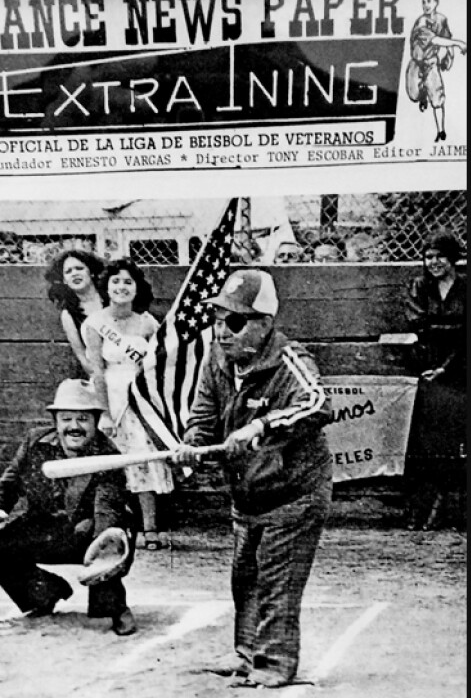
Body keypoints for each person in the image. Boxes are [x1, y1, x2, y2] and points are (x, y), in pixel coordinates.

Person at [174, 269, 334, 689]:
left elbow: (317, 403)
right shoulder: (216, 358)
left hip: (294, 494)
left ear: (264, 324)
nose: (223, 331)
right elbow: (203, 416)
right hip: (248, 495)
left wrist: (262, 426)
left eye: (235, 321)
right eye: (219, 319)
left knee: (277, 580)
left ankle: (274, 665)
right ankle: (246, 654)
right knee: (244, 577)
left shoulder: (289, 360)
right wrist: (192, 442)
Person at [0, 379, 139, 636]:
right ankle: (45, 593)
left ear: (96, 422)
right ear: (56, 421)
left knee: (105, 538)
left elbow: (106, 510)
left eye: (83, 419)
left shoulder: (109, 456)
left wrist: (103, 548)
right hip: (48, 524)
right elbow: (9, 481)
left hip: (92, 528)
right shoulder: (35, 442)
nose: (74, 427)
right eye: (66, 419)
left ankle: (115, 607)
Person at [83, 259, 174, 551]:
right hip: (111, 396)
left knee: (143, 458)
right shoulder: (96, 324)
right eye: (116, 282)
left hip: (141, 400)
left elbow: (162, 365)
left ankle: (150, 528)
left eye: (128, 282)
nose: (121, 287)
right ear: (106, 287)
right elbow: (96, 370)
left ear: (136, 288)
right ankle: (107, 527)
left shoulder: (147, 322)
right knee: (110, 466)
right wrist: (105, 414)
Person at [403, 229, 467, 531]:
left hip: (461, 371)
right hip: (427, 369)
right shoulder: (420, 287)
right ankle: (426, 509)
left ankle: (454, 509)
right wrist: (453, 330)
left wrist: (448, 366)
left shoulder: (466, 288)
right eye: (428, 256)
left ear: (453, 257)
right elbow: (419, 326)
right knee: (427, 441)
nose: (433, 262)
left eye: (440, 256)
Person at [406, 0, 468, 142]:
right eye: (424, 2)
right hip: (416, 64)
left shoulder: (441, 19)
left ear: (436, 2)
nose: (426, 5)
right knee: (413, 95)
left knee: (438, 99)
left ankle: (441, 131)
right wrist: (458, 43)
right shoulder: (421, 23)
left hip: (431, 64)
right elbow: (435, 40)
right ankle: (422, 97)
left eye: (429, 1)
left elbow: (445, 37)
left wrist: (450, 55)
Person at [44, 249, 107, 377]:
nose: (74, 274)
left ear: (91, 272)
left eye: (79, 268)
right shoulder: (69, 315)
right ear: (64, 280)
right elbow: (83, 358)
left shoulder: (110, 299)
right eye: (68, 271)